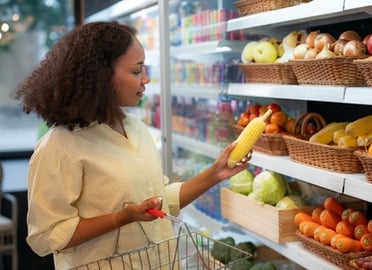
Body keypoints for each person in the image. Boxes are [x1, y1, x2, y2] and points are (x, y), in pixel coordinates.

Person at [13, 21, 251, 269]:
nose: (146, 79)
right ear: (102, 77)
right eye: (137, 71)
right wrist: (121, 218)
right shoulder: (60, 146)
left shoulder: (135, 128)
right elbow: (46, 236)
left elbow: (158, 202)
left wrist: (215, 173)